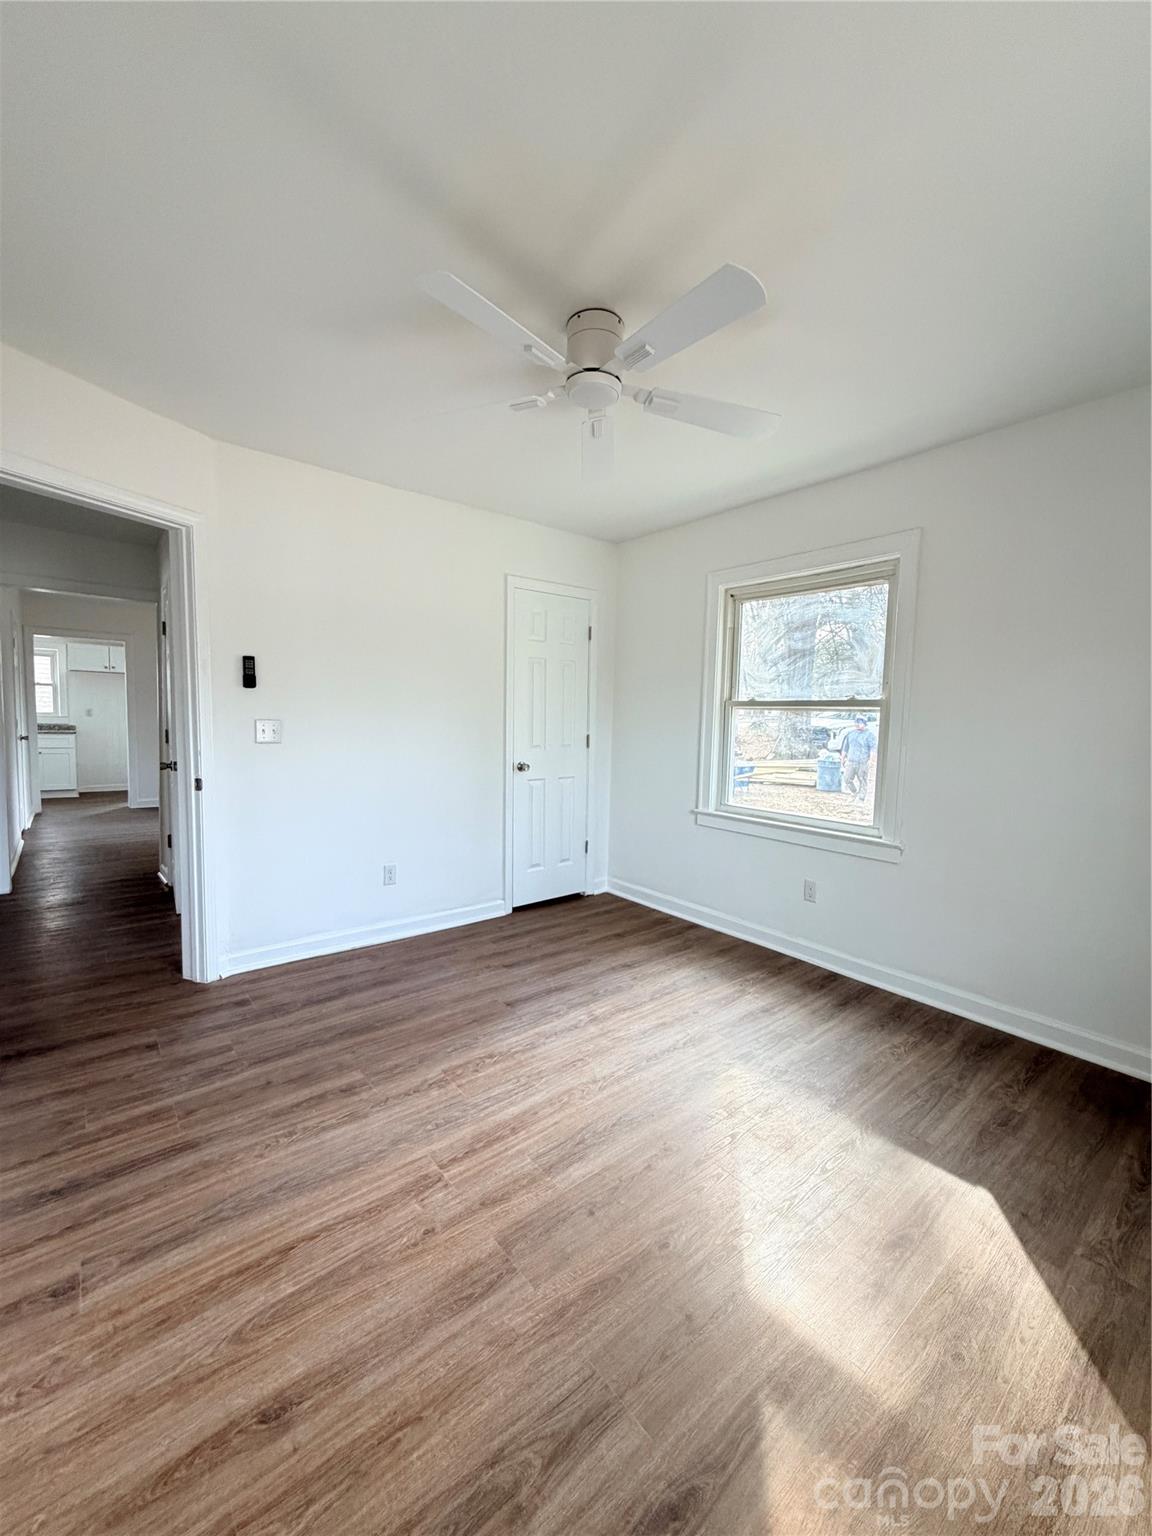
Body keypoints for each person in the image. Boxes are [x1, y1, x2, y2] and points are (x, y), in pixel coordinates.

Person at [841, 715, 877, 803]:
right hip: (851, 761)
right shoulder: (851, 734)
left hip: (863, 762)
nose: (857, 724)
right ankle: (854, 792)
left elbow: (873, 749)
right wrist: (843, 758)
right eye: (856, 722)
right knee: (847, 779)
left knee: (863, 780)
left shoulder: (870, 735)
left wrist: (872, 761)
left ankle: (861, 798)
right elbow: (845, 748)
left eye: (860, 722)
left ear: (864, 724)